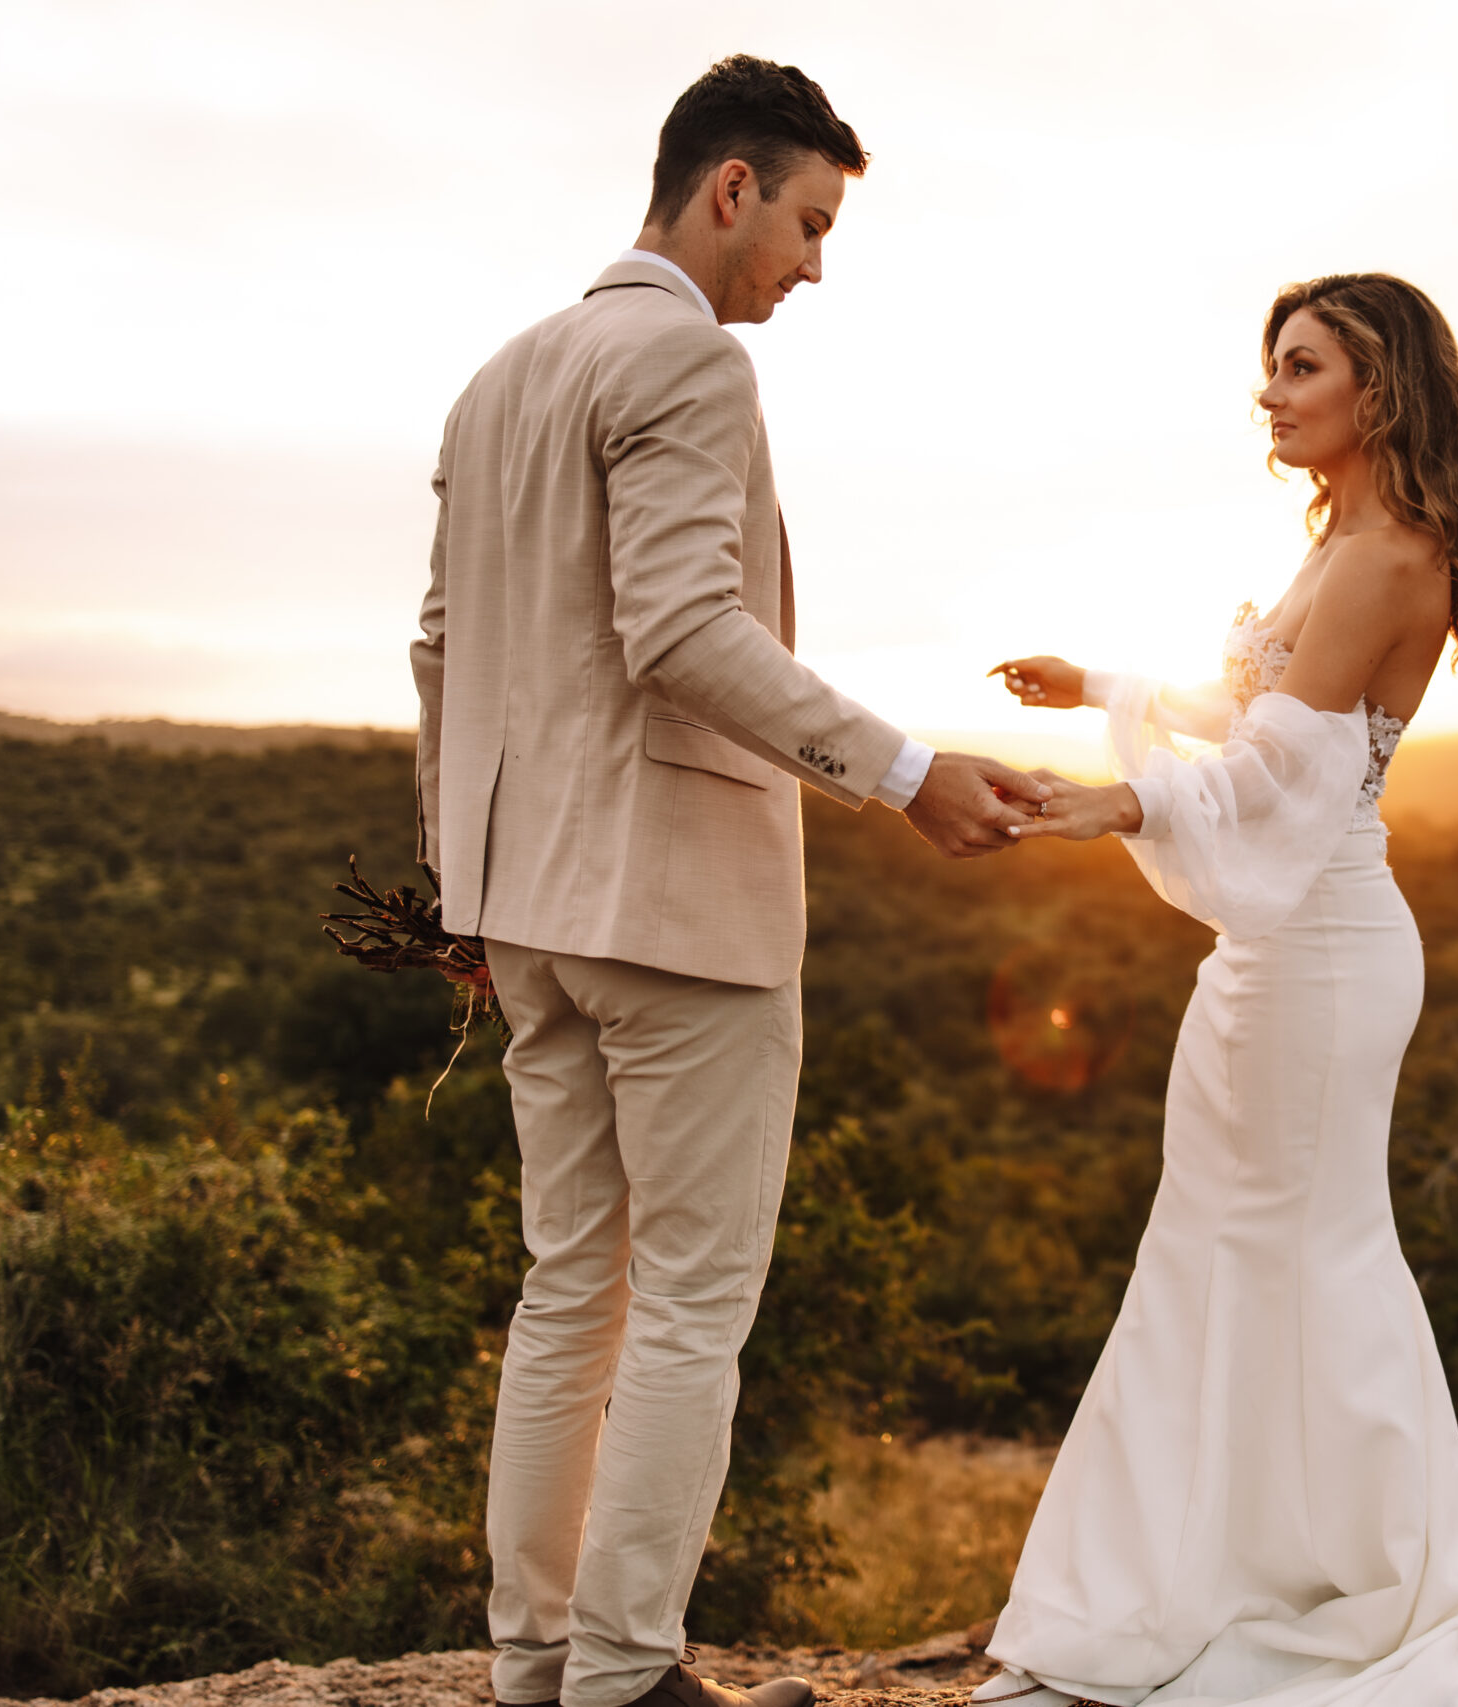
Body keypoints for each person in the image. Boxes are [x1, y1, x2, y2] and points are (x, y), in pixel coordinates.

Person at [409, 55, 1045, 1707]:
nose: (814, 268)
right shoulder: (685, 358)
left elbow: (438, 648)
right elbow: (684, 631)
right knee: (691, 1301)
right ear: (732, 187)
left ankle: (530, 1659)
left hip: (527, 913)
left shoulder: (499, 378)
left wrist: (461, 887)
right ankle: (625, 1673)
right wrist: (908, 776)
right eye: (812, 225)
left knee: (572, 1285)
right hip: (678, 909)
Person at [978, 274, 1458, 1707]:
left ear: (1380, 389)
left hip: (1328, 957)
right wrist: (1108, 682)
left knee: (1311, 1251)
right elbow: (1271, 705)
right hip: (1273, 962)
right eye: (1269, 367)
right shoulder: (1343, 537)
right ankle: (1225, 1571)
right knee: (1223, 1250)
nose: (1270, 393)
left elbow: (1283, 780)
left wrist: (1120, 804)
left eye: (1299, 367)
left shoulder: (1394, 552)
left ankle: (1358, 1577)